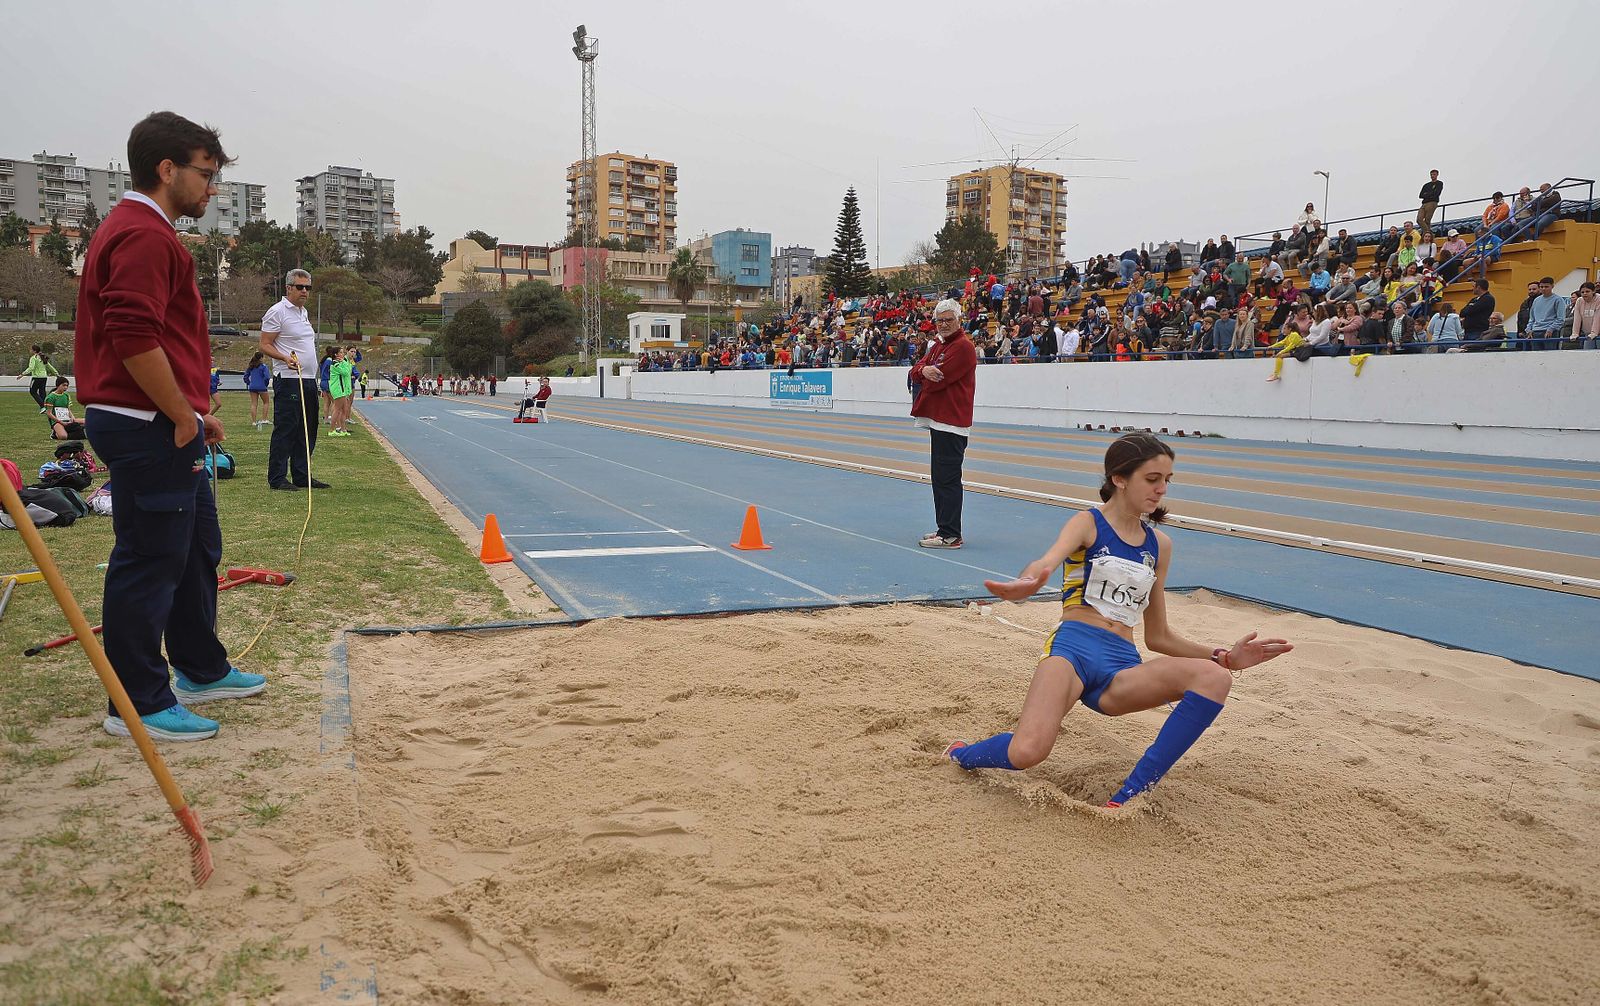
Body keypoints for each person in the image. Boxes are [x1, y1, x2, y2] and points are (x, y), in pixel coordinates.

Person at [944, 433, 1292, 806]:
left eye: (1167, 480)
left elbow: (1158, 637)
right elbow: (1048, 560)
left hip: (1121, 669)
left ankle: (1129, 795)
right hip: (1072, 653)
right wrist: (1031, 579)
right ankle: (961, 754)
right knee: (1027, 752)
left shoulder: (1160, 545)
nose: (1161, 490)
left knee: (1215, 678)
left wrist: (1223, 657)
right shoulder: (1087, 524)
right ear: (1119, 478)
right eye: (1152, 479)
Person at [73, 110, 266, 742]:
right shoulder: (143, 235)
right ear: (166, 169)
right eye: (206, 174)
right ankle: (137, 703)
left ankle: (200, 666)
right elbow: (133, 336)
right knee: (150, 558)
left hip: (164, 421)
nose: (212, 189)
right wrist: (181, 412)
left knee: (195, 550)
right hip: (145, 423)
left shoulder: (143, 231)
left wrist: (193, 411)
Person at [912, 299, 976, 549]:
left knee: (947, 479)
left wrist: (923, 373)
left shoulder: (962, 347)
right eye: (940, 321)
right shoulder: (938, 346)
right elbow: (916, 371)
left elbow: (939, 378)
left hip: (952, 422)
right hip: (939, 421)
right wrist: (923, 370)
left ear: (959, 320)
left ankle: (950, 534)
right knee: (940, 478)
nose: (944, 324)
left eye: (949, 320)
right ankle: (944, 528)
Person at [260, 269, 329, 490]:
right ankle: (277, 477)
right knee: (287, 428)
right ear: (288, 287)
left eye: (308, 287)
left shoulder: (303, 313)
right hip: (289, 378)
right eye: (300, 287)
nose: (305, 291)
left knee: (308, 428)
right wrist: (283, 358)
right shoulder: (277, 312)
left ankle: (302, 475)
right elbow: (265, 344)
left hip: (309, 379)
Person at [1523, 277, 1568, 351]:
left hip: (1550, 332)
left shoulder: (1558, 300)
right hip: (1535, 332)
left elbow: (1560, 318)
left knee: (1549, 357)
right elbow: (1532, 318)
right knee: (1536, 357)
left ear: (1552, 286)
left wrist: (1551, 329)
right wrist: (1529, 329)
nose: (1543, 289)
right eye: (1541, 287)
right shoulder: (1536, 300)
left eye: (1546, 286)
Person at [1459, 280, 1495, 350]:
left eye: (1473, 286)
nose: (1472, 289)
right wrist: (1470, 308)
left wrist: (1470, 308)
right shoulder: (1474, 299)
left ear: (1478, 287)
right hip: (1468, 332)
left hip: (1477, 331)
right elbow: (1462, 312)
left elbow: (1471, 309)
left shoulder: (1488, 298)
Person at [326, 346, 354, 436]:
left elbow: (348, 372)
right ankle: (332, 430)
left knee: (344, 410)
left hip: (343, 389)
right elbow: (346, 372)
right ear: (336, 354)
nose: (343, 354)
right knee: (337, 409)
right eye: (341, 352)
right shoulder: (335, 364)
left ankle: (343, 429)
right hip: (338, 389)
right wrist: (344, 363)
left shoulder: (340, 363)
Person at [21, 345, 57, 411]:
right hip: (44, 377)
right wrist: (56, 373)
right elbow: (49, 366)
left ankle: (42, 406)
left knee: (32, 391)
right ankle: (45, 407)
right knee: (42, 392)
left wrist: (22, 374)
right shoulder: (43, 357)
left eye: (31, 349)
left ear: (34, 351)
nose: (30, 351)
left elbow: (31, 368)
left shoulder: (33, 358)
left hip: (36, 377)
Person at [243, 351, 271, 429]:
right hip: (261, 386)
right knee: (266, 402)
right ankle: (264, 419)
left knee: (254, 404)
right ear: (261, 358)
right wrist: (265, 384)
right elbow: (267, 377)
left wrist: (249, 383)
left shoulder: (251, 366)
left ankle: (254, 421)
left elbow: (245, 376)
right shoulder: (263, 366)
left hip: (252, 387)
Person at [1568, 283, 1599, 350]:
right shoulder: (1579, 301)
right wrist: (1575, 333)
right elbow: (1577, 318)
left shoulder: (1599, 299)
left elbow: (1597, 317)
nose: (1585, 293)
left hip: (1597, 333)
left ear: (1593, 291)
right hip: (1588, 333)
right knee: (1587, 353)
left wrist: (1594, 333)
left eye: (1587, 291)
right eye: (1582, 292)